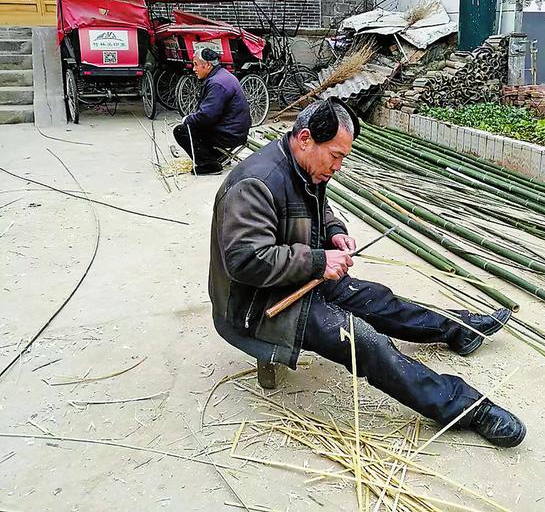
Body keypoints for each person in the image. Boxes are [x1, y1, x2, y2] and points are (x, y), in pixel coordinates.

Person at [208, 98, 526, 447]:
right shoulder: (257, 183)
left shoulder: (304, 166)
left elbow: (318, 207)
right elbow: (245, 261)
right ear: (305, 139)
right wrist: (319, 261)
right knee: (365, 342)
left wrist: (333, 232)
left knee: (377, 299)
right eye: (335, 155)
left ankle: (459, 329)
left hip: (296, 278)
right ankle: (465, 406)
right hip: (261, 305)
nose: (338, 166)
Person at [172, 48, 251, 175]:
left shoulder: (217, 83)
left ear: (208, 65)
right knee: (194, 125)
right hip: (235, 130)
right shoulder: (222, 75)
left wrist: (187, 120)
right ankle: (220, 156)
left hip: (230, 133)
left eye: (196, 64)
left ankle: (209, 164)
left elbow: (207, 116)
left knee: (181, 130)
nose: (194, 69)